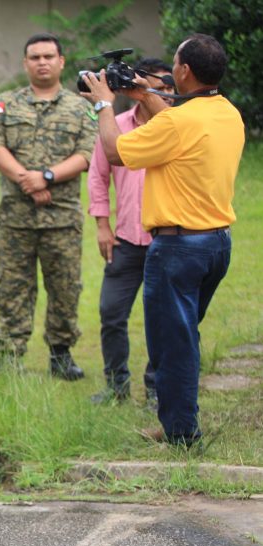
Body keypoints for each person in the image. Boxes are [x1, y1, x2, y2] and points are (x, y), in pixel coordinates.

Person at [81, 33, 245, 446]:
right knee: (184, 336)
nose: (171, 68)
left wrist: (105, 103)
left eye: (174, 62)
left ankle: (181, 436)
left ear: (184, 71)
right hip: (215, 244)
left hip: (176, 249)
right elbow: (175, 121)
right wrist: (143, 92)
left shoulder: (177, 122)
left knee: (173, 344)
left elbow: (116, 151)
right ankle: (177, 421)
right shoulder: (226, 113)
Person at [0, 33, 98, 379]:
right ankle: (10, 355)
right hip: (16, 218)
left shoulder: (81, 108)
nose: (42, 62)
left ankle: (61, 355)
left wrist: (45, 177)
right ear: (25, 63)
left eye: (49, 56)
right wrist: (25, 180)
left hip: (61, 218)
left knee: (64, 286)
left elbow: (87, 154)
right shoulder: (4, 103)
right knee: (12, 286)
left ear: (61, 62)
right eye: (35, 57)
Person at [87, 59, 172, 407]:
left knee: (164, 318)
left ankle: (157, 388)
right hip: (125, 239)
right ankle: (116, 384)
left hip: (166, 240)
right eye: (155, 86)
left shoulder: (177, 128)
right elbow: (97, 176)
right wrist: (103, 225)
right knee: (111, 312)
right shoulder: (115, 125)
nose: (163, 93)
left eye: (168, 86)